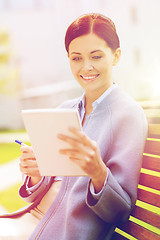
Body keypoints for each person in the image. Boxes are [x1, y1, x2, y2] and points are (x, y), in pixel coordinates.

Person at [0, 13, 148, 240]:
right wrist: (37, 174)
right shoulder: (64, 110)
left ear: (116, 56)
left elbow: (120, 212)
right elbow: (39, 193)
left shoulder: (128, 116)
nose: (86, 67)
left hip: (65, 233)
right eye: (76, 58)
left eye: (96, 56)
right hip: (33, 219)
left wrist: (98, 173)